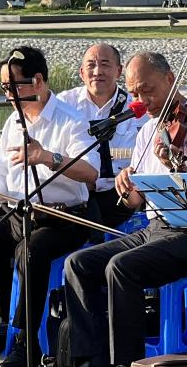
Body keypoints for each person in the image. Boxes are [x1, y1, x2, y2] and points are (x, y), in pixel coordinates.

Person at [53, 52, 187, 367]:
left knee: (122, 267)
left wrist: (178, 168)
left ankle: (127, 366)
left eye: (147, 90)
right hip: (157, 227)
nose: (141, 100)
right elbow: (134, 202)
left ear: (170, 79)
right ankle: (93, 359)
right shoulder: (148, 129)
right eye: (134, 92)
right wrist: (126, 187)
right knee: (79, 263)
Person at [0, 47, 98, 367]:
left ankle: (26, 342)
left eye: (13, 86)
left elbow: (90, 172)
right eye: (4, 88)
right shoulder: (13, 121)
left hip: (62, 218)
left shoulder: (71, 119)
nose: (8, 95)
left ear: (37, 81)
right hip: (17, 215)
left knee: (31, 251)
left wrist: (48, 157)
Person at [57, 43, 149, 230]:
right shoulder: (64, 104)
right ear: (82, 72)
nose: (97, 71)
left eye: (105, 64)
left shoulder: (136, 109)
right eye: (91, 65)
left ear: (119, 71)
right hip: (74, 192)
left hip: (117, 192)